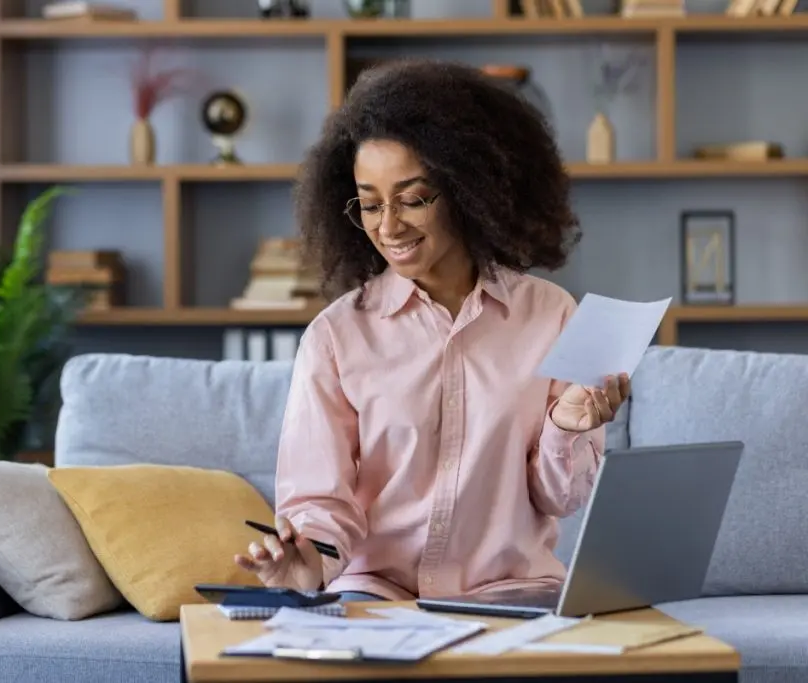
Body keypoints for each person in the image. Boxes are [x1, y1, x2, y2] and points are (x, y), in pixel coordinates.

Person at [234, 59, 629, 603]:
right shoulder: (336, 336)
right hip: (379, 594)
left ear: (468, 188)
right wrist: (306, 562)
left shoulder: (552, 315)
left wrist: (566, 425)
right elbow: (320, 502)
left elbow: (562, 499)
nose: (389, 226)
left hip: (512, 590)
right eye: (370, 204)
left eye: (413, 198)